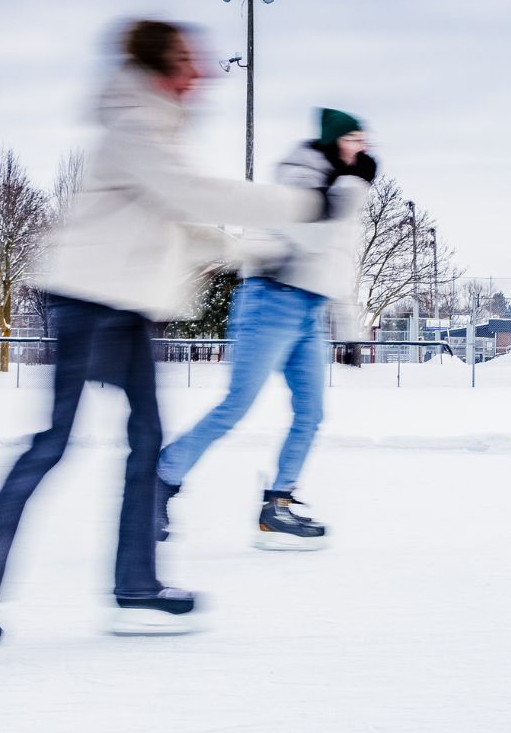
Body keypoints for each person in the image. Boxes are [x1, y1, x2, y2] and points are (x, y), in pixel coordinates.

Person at [0, 20, 330, 664]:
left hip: (133, 309)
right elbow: (190, 193)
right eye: (190, 60)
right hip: (85, 301)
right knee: (53, 443)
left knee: (146, 444)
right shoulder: (132, 123)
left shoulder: (160, 129)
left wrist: (255, 252)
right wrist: (301, 206)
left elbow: (185, 222)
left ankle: (135, 588)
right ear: (161, 64)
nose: (204, 72)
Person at [156, 109, 375, 550]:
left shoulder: (340, 188)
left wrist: (349, 324)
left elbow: (337, 259)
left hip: (308, 307)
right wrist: (353, 186)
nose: (364, 147)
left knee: (311, 412)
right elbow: (308, 239)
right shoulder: (300, 177)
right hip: (271, 297)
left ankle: (278, 505)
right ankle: (160, 480)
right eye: (354, 139)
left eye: (365, 139)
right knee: (236, 405)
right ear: (334, 142)